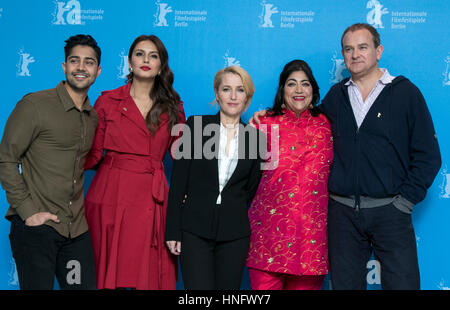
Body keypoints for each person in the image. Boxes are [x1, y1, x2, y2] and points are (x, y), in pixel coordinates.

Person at [322, 23, 441, 290]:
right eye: (348, 49)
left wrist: (404, 203)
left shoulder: (406, 93)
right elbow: (307, 127)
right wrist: (270, 115)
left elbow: (428, 155)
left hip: (391, 212)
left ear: (379, 51)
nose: (355, 55)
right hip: (342, 215)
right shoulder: (335, 96)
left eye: (363, 47)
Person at [84, 35, 185, 290]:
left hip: (151, 197)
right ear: (129, 62)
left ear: (161, 65)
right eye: (140, 54)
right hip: (111, 194)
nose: (146, 60)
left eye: (153, 55)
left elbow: (183, 156)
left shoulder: (173, 104)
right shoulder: (108, 100)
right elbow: (93, 153)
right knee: (108, 274)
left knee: (149, 276)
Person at [0, 34, 102, 290]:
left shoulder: (92, 117)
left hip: (76, 231)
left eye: (88, 62)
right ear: (64, 66)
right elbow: (6, 158)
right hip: (37, 229)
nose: (81, 67)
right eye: (74, 61)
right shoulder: (34, 105)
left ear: (98, 71)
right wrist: (28, 211)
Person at [165, 66, 265, 290]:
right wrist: (173, 229)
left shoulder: (256, 139)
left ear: (247, 97)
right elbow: (178, 183)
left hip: (234, 235)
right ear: (217, 93)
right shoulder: (195, 126)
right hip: (194, 231)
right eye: (226, 89)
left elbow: (249, 189)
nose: (232, 96)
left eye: (239, 90)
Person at [246, 60, 333, 290]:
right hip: (267, 240)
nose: (298, 90)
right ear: (282, 89)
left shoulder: (327, 125)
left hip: (310, 242)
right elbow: (235, 173)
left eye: (305, 84)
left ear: (313, 90)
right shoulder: (262, 124)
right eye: (291, 84)